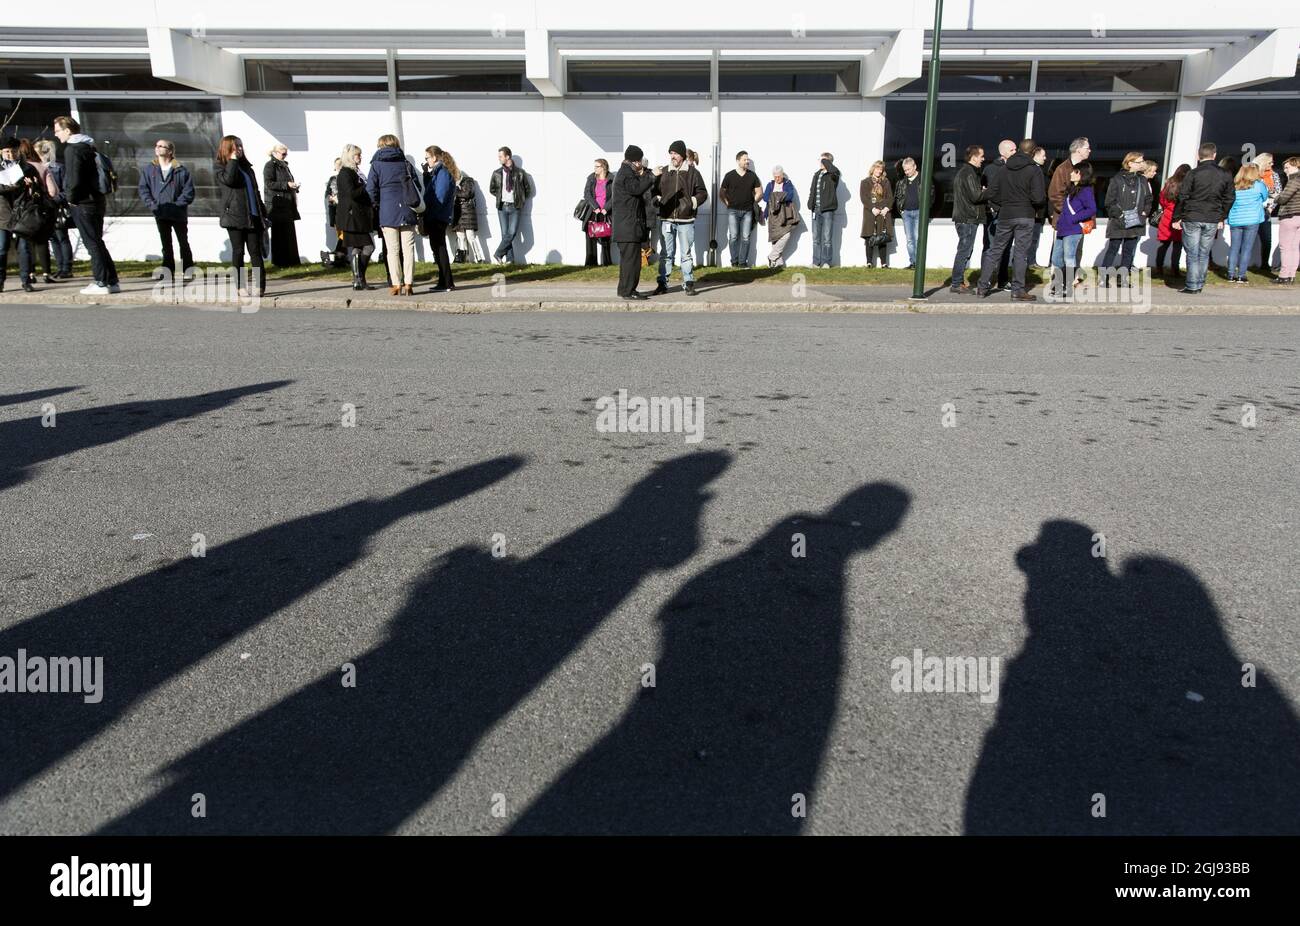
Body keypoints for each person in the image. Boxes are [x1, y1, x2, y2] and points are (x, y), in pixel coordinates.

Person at [52, 115, 120, 295]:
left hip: (83, 203)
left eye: (58, 130)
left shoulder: (72, 150)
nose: (56, 134)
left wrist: (70, 198)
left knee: (92, 243)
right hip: (97, 200)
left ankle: (101, 282)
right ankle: (111, 281)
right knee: (97, 241)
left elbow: (74, 179)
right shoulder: (89, 146)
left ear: (67, 130)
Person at [976, 138, 1046, 301]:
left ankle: (982, 286)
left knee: (995, 250)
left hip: (1006, 214)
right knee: (1021, 253)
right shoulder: (1034, 170)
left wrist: (1002, 204)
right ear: (1033, 151)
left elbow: (992, 192)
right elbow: (1038, 198)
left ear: (1019, 150)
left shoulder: (1004, 168)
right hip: (1025, 214)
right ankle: (1018, 290)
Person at [1173, 142, 1235, 295]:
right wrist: (1222, 216)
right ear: (1214, 155)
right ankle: (1199, 283)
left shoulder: (1193, 173)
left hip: (1193, 215)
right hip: (1212, 217)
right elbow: (1230, 198)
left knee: (1192, 253)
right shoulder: (1225, 174)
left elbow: (1183, 196)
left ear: (1198, 156)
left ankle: (1192, 285)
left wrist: (1177, 217)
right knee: (1204, 252)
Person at [367, 134, 421, 296]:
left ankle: (396, 284)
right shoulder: (405, 163)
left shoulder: (376, 165)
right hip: (407, 210)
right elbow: (416, 186)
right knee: (409, 249)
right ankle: (409, 283)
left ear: (381, 146)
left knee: (392, 250)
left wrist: (377, 205)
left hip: (387, 211)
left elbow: (371, 190)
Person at [652, 139, 707, 296]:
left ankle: (688, 282)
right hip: (666, 219)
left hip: (686, 220)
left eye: (675, 153)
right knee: (666, 254)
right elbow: (653, 191)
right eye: (671, 153)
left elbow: (702, 192)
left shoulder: (693, 173)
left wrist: (692, 202)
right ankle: (662, 283)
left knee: (686, 253)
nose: (672, 156)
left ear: (682, 155)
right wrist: (657, 200)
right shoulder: (663, 172)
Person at [215, 135, 267, 297]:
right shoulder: (222, 168)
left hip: (253, 216)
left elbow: (256, 192)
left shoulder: (247, 168)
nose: (239, 149)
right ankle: (240, 286)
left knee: (255, 252)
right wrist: (232, 161)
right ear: (227, 148)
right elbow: (229, 180)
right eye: (236, 146)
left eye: (241, 146)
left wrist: (263, 213)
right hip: (234, 217)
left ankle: (260, 285)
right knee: (238, 252)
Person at [137, 138, 195, 281]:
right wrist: (152, 204)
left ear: (169, 151)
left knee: (183, 242)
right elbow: (143, 188)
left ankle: (188, 269)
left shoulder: (180, 169)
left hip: (177, 212)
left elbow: (188, 191)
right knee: (166, 244)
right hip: (160, 211)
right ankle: (167, 271)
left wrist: (178, 204)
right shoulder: (150, 169)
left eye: (161, 146)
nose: (157, 148)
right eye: (156, 145)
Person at [611, 145, 660, 300]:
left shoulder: (625, 172)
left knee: (629, 261)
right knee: (631, 262)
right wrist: (652, 175)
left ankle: (625, 289)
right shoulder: (626, 173)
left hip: (627, 226)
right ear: (637, 161)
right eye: (639, 160)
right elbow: (637, 189)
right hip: (628, 226)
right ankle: (628, 291)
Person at [0, 137, 44, 292]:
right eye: (6, 151)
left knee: (24, 248)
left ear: (18, 151)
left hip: (22, 214)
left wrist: (32, 186)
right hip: (3, 215)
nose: (10, 154)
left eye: (13, 151)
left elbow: (39, 191)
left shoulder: (27, 168)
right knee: (1, 248)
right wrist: (9, 187)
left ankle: (26, 281)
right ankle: (0, 281)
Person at [1101, 152, 1152, 282]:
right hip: (1119, 221)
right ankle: (1103, 277)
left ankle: (1122, 278)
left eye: (1142, 161)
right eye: (1139, 161)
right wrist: (1119, 214)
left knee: (1128, 251)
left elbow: (1148, 198)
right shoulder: (1117, 179)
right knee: (1113, 249)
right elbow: (1109, 201)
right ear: (1130, 163)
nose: (1142, 163)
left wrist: (1145, 211)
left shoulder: (1142, 180)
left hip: (1136, 221)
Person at [1051, 162, 1097, 300]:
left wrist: (1073, 219)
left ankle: (1066, 285)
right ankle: (1060, 282)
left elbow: (1091, 209)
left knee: (1069, 258)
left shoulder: (1086, 190)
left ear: (1081, 174)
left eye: (1074, 171)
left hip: (1074, 229)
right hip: (1063, 228)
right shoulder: (1072, 189)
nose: (1071, 173)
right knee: (1056, 258)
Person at [17, 138, 60, 284]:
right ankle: (47, 273)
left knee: (27, 242)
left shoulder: (19, 168)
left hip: (26, 209)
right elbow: (54, 191)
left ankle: (30, 273)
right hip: (43, 208)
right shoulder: (41, 167)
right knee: (42, 241)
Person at [335, 143, 375, 291]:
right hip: (351, 217)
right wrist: (366, 186)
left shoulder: (355, 172)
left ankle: (359, 280)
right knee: (368, 247)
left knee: (358, 248)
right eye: (357, 155)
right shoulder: (346, 173)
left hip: (358, 216)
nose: (360, 157)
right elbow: (351, 194)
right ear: (350, 157)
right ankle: (359, 279)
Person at [950, 146, 987, 292]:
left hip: (965, 217)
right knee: (964, 250)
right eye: (981, 156)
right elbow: (976, 196)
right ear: (973, 157)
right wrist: (986, 191)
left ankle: (958, 281)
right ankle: (956, 283)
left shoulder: (966, 172)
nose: (983, 159)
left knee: (965, 250)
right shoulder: (969, 173)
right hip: (968, 218)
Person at [34, 139, 72, 279]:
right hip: (45, 208)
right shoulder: (37, 168)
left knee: (62, 237)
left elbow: (65, 189)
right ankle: (60, 266)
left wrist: (54, 200)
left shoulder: (58, 168)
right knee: (53, 238)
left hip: (56, 206)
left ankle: (66, 268)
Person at [981, 139, 1017, 290]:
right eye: (1012, 150)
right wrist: (994, 207)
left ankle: (1003, 279)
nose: (1015, 153)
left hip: (1009, 213)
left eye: (1016, 150)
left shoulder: (1016, 168)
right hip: (995, 214)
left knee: (1007, 247)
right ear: (1003, 153)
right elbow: (987, 191)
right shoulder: (991, 169)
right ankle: (985, 279)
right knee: (990, 247)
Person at [1226, 163, 1269, 284]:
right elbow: (1265, 198)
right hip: (1252, 219)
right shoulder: (1259, 185)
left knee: (1234, 247)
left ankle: (1230, 274)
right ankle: (1241, 275)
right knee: (1246, 248)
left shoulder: (1234, 185)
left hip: (1235, 219)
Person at [489, 146, 532, 264]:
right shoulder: (497, 173)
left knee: (511, 233)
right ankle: (510, 259)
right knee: (505, 234)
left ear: (507, 157)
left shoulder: (520, 173)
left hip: (515, 207)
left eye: (500, 156)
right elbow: (492, 189)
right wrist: (500, 196)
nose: (499, 159)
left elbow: (528, 190)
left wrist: (519, 199)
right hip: (502, 207)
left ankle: (498, 254)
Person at [422, 146, 456, 292]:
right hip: (437, 216)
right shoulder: (437, 172)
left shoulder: (442, 172)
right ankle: (445, 281)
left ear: (434, 157)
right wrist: (426, 175)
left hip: (437, 216)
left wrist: (430, 213)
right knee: (438, 249)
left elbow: (439, 196)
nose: (426, 161)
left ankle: (446, 282)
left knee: (440, 249)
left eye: (427, 158)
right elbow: (432, 191)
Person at [720, 150, 762, 267]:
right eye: (745, 159)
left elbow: (759, 192)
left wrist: (753, 202)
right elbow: (721, 193)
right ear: (738, 161)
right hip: (732, 210)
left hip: (748, 211)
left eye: (748, 159)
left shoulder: (752, 176)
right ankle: (734, 262)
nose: (747, 161)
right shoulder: (729, 175)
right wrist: (727, 203)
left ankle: (743, 263)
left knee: (745, 237)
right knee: (733, 237)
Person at [263, 144, 301, 267]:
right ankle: (281, 262)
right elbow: (269, 183)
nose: (285, 156)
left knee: (289, 234)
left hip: (287, 203)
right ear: (274, 153)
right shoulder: (270, 165)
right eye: (283, 154)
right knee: (279, 235)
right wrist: (286, 185)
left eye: (286, 154)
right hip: (278, 205)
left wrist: (293, 186)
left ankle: (292, 260)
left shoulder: (284, 166)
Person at [893, 157, 932, 269]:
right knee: (910, 239)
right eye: (905, 170)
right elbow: (898, 196)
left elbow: (932, 194)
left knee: (919, 238)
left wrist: (925, 209)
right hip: (907, 214)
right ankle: (913, 263)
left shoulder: (924, 179)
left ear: (915, 167)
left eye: (908, 169)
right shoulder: (902, 182)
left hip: (919, 212)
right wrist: (901, 210)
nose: (907, 172)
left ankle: (919, 263)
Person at [760, 165, 800, 268]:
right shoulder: (770, 184)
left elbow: (790, 195)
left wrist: (776, 197)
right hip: (772, 215)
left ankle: (772, 257)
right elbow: (765, 197)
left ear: (782, 175)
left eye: (779, 176)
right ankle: (778, 263)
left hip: (785, 215)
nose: (777, 178)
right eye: (775, 176)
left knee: (786, 235)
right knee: (775, 238)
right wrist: (780, 196)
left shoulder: (788, 183)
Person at [1154, 163, 1189, 277]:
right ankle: (1175, 269)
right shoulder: (1186, 185)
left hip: (1167, 217)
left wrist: (1167, 208)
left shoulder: (1169, 183)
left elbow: (1162, 200)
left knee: (1164, 245)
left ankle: (1159, 268)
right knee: (1177, 246)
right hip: (1179, 218)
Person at [1048, 137, 1091, 228]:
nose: (1090, 150)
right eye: (1087, 148)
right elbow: (1055, 194)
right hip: (1065, 220)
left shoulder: (1087, 168)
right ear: (1078, 150)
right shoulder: (1062, 169)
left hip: (1082, 222)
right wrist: (1070, 212)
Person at [807, 152, 840, 268]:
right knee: (815, 238)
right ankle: (816, 262)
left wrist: (826, 162)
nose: (821, 163)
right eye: (821, 160)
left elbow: (836, 172)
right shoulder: (817, 174)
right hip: (816, 210)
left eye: (823, 161)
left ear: (829, 162)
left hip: (827, 210)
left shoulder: (833, 175)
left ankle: (826, 262)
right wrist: (810, 204)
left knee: (827, 238)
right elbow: (812, 190)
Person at [861, 160, 894, 270]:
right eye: (877, 168)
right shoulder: (865, 182)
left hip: (883, 213)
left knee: (882, 238)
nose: (879, 171)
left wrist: (886, 208)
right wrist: (873, 208)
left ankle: (884, 263)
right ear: (873, 169)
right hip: (870, 213)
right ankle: (869, 262)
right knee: (869, 238)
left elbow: (890, 197)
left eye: (881, 169)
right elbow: (864, 198)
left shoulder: (886, 182)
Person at [582, 158, 614, 267]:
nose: (595, 168)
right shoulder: (591, 178)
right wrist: (595, 207)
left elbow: (615, 196)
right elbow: (587, 194)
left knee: (605, 237)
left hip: (605, 212)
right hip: (593, 211)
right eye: (594, 166)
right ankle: (591, 263)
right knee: (590, 236)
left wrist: (606, 208)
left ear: (603, 167)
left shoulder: (611, 179)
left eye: (597, 166)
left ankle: (607, 263)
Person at [1274, 156, 1300, 285]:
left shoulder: (1294, 180)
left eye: (1287, 167)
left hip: (1289, 215)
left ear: (1296, 166)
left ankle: (1284, 275)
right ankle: (1291, 275)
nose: (1285, 170)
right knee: (1295, 247)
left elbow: (1283, 199)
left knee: (1285, 247)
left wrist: (1275, 197)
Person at [450, 162, 482, 263]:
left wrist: (455, 190)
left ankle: (479, 258)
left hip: (467, 211)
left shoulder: (468, 180)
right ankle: (462, 258)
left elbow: (467, 193)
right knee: (460, 237)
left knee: (470, 236)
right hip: (457, 212)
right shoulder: (452, 183)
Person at [1253, 153, 1280, 272]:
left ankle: (1265, 264)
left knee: (1267, 239)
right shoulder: (1253, 174)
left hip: (1266, 211)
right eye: (1270, 162)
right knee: (1248, 238)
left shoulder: (1274, 175)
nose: (1272, 164)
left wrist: (1271, 207)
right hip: (1252, 210)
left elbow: (1278, 193)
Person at [1027, 146, 1050, 267]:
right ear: (1035, 155)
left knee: (1034, 238)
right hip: (1033, 211)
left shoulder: (1039, 170)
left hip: (1038, 212)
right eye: (1043, 155)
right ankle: (1029, 261)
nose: (1045, 158)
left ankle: (1031, 260)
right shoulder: (1033, 170)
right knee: (1030, 238)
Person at [322, 157, 346, 267]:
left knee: (344, 235)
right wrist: (331, 198)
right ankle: (339, 256)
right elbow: (327, 194)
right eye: (337, 164)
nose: (339, 166)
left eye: (340, 164)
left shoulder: (347, 177)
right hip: (336, 210)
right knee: (341, 235)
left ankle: (339, 255)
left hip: (346, 209)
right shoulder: (332, 179)